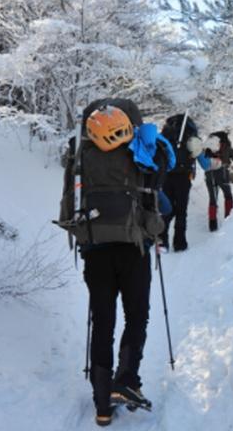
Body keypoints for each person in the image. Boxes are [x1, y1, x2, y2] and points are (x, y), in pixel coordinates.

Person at [56, 98, 175, 426]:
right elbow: (162, 204)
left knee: (102, 321)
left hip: (95, 251)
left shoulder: (83, 154)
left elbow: (70, 197)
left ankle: (102, 403)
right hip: (133, 250)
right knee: (137, 316)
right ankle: (125, 379)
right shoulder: (141, 150)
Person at [159, 114, 203, 252]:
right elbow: (197, 153)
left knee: (167, 208)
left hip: (167, 175)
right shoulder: (191, 134)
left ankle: (162, 239)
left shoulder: (166, 133)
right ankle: (180, 243)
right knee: (181, 210)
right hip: (184, 177)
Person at [198, 130, 233, 231]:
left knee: (212, 199)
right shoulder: (227, 148)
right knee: (228, 196)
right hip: (223, 173)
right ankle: (228, 220)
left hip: (209, 174)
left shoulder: (207, 148)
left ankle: (212, 225)